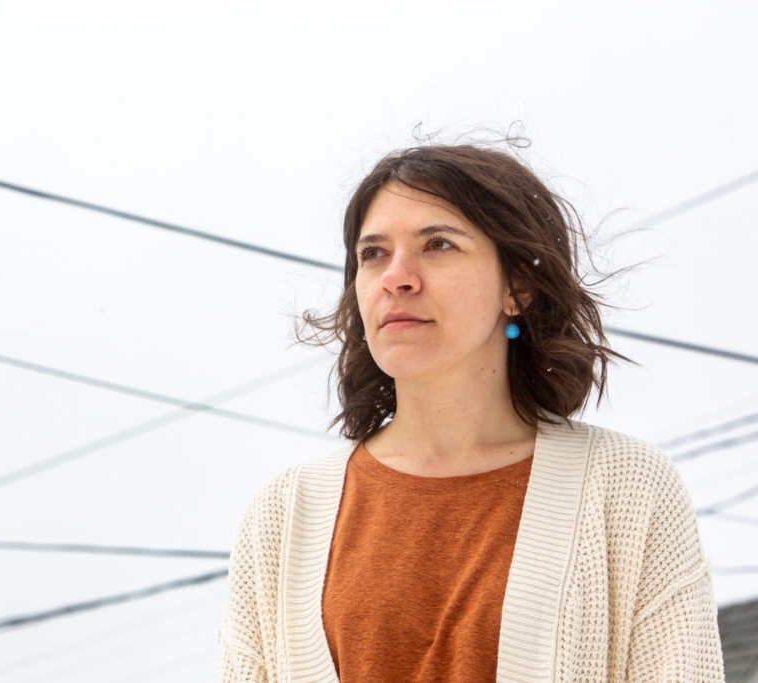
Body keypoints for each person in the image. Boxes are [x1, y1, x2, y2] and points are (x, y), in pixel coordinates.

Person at [214, 143, 725, 683]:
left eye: (437, 245)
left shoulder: (627, 489)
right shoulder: (284, 515)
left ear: (518, 287)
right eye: (373, 254)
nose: (397, 277)